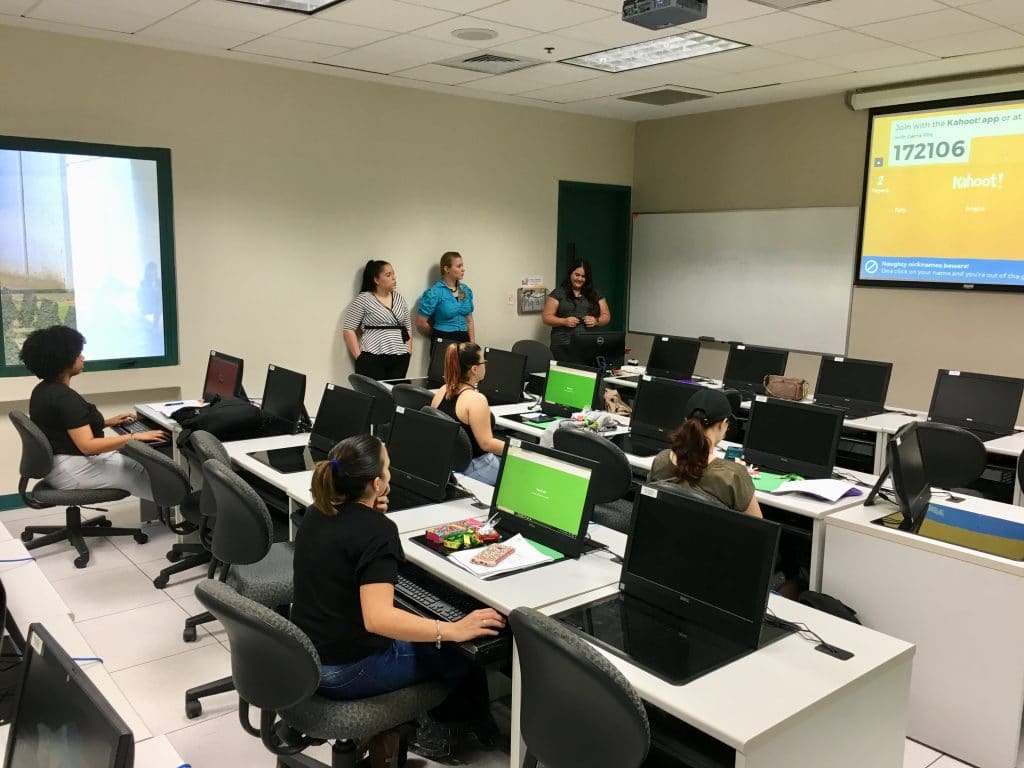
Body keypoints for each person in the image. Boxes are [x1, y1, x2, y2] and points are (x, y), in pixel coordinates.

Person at [292, 434, 505, 761]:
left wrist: (366, 511)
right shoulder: (376, 532)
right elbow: (379, 620)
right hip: (346, 672)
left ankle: (467, 724)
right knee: (463, 653)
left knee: (441, 635)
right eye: (389, 469)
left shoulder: (318, 512)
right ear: (376, 483)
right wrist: (453, 630)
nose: (393, 475)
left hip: (309, 657)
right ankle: (441, 735)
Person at [20, 325, 168, 501]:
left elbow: (63, 427)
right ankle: (183, 509)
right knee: (145, 471)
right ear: (64, 360)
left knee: (137, 462)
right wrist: (135, 437)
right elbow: (88, 446)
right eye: (78, 354)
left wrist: (107, 422)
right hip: (73, 469)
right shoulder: (64, 397)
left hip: (58, 465)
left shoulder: (43, 390)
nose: (82, 357)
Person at [647, 389, 762, 517]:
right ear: (723, 424)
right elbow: (758, 525)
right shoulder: (734, 475)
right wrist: (742, 476)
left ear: (686, 421)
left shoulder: (661, 459)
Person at [430, 342, 506, 486]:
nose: (486, 365)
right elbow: (486, 443)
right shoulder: (476, 400)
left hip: (450, 464)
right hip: (476, 467)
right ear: (474, 369)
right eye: (484, 361)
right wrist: (518, 449)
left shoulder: (442, 390)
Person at [343, 260, 413, 381]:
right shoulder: (364, 299)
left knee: (394, 396)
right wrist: (359, 357)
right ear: (376, 280)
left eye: (393, 274)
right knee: (375, 396)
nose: (394, 278)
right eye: (388, 275)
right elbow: (348, 329)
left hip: (400, 358)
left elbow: (408, 327)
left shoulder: (399, 298)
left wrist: (408, 351)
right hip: (372, 357)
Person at [541, 258, 611, 361]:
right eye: (577, 275)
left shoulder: (595, 294)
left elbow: (606, 316)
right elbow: (546, 318)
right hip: (562, 345)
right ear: (570, 274)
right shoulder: (558, 293)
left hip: (587, 344)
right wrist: (564, 321)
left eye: (583, 276)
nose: (579, 279)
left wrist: (596, 321)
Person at [416, 252, 474, 348]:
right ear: (447, 269)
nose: (463, 269)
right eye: (459, 266)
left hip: (464, 341)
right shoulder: (435, 292)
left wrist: (472, 345)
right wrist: (435, 334)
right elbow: (420, 322)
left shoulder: (465, 290)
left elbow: (469, 321)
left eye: (462, 266)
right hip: (443, 340)